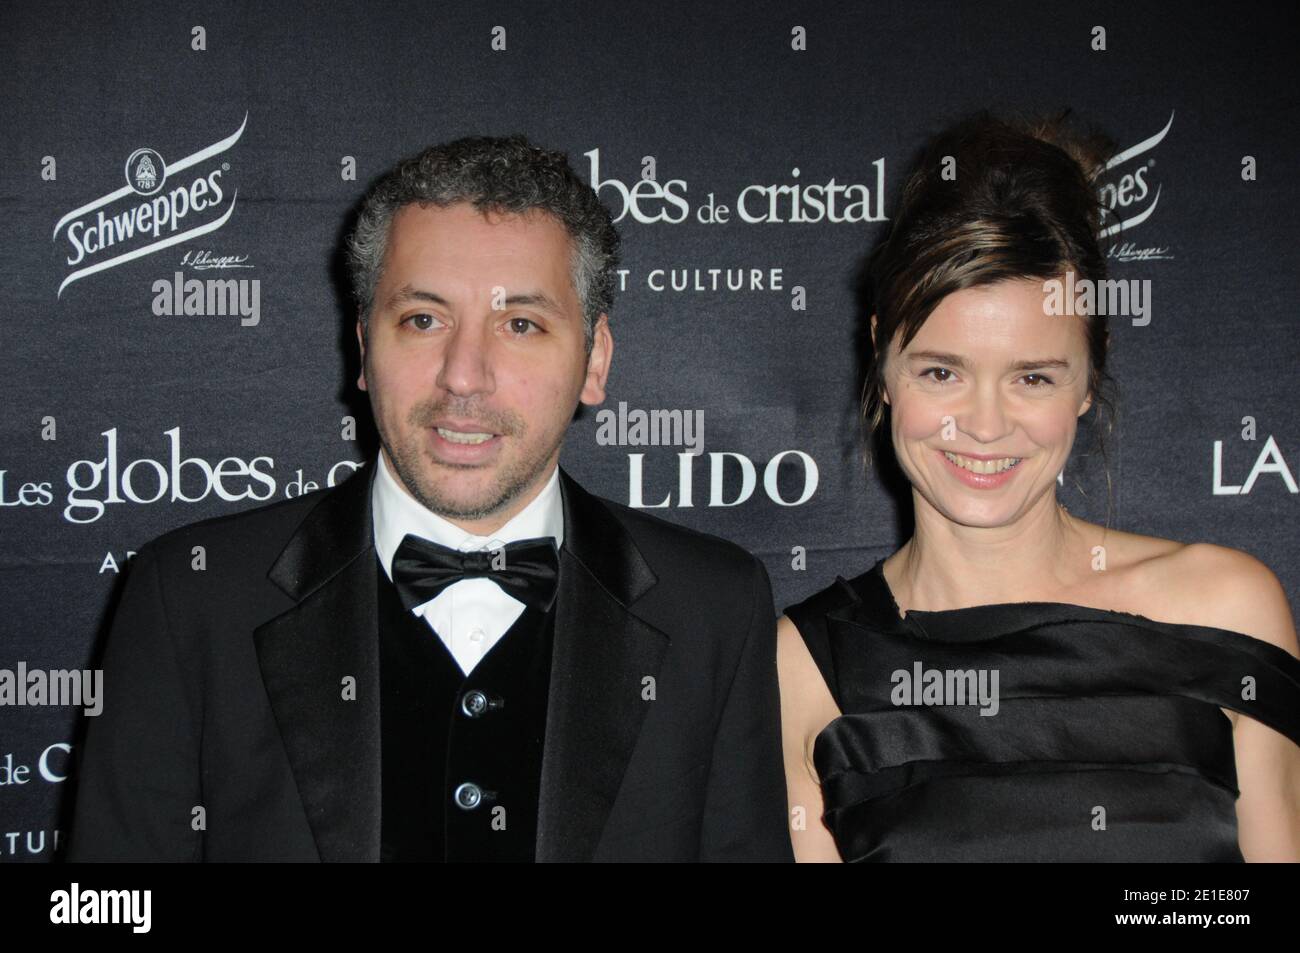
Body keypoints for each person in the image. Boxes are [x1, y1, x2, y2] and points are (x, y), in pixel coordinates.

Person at [67, 135, 793, 862]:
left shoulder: (714, 610)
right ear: (363, 347)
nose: (464, 377)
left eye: (520, 324)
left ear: (594, 360)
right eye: (423, 319)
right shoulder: (190, 596)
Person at [777, 112, 1300, 862]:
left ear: (1089, 375)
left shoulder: (1225, 610)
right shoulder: (806, 667)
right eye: (941, 371)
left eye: (1032, 377)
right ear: (881, 360)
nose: (986, 425)